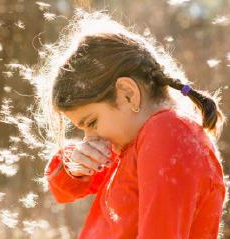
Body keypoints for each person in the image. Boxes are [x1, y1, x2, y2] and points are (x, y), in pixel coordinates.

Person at [34, 10, 229, 239]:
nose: (89, 138)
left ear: (128, 94)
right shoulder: (136, 140)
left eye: (92, 122)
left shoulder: (165, 134)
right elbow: (63, 187)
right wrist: (75, 165)